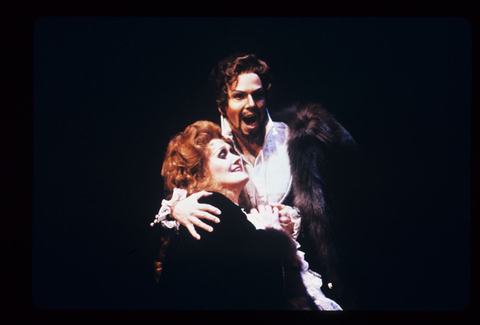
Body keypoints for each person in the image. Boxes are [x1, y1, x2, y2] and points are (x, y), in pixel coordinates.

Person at [153, 53, 356, 308]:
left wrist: (293, 221)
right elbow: (192, 180)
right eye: (239, 96)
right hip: (254, 279)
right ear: (222, 106)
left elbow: (334, 213)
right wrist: (176, 206)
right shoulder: (218, 147)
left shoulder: (294, 140)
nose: (251, 104)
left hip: (301, 272)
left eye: (257, 95)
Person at [154, 120, 318, 310]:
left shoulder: (234, 214)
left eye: (232, 151)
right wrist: (274, 231)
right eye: (223, 155)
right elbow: (256, 286)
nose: (236, 158)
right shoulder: (210, 207)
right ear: (201, 172)